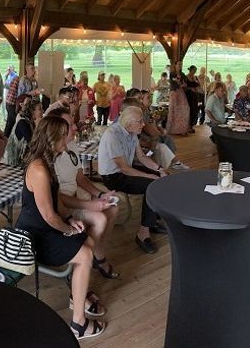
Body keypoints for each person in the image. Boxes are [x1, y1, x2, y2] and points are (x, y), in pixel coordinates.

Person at [15, 115, 107, 340]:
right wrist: (67, 228)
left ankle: (78, 297)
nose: (67, 139)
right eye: (63, 135)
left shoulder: (47, 161)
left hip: (45, 228)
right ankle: (79, 324)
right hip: (34, 235)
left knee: (87, 238)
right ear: (52, 138)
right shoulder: (38, 168)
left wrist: (69, 220)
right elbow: (47, 215)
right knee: (85, 254)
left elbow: (56, 201)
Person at [48, 108, 120, 279]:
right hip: (63, 206)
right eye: (69, 125)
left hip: (76, 198)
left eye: (73, 124)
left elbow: (80, 177)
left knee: (113, 208)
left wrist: (100, 195)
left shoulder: (71, 145)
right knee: (100, 218)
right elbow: (57, 197)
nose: (74, 128)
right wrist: (91, 205)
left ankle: (97, 255)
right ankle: (77, 268)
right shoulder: (50, 155)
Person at [98, 106, 168, 254]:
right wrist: (151, 176)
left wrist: (159, 169)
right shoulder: (113, 135)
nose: (143, 125)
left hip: (125, 171)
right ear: (129, 123)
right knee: (151, 185)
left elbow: (142, 157)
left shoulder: (131, 132)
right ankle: (143, 234)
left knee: (160, 179)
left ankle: (151, 221)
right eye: (140, 121)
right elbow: (124, 168)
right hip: (113, 177)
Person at [4, 96, 43, 166]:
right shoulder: (23, 123)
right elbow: (33, 145)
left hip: (23, 160)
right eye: (40, 109)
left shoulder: (31, 122)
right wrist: (38, 126)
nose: (43, 111)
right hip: (14, 163)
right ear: (32, 111)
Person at [166, 63, 190, 135]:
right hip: (174, 92)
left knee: (185, 108)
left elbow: (185, 82)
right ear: (175, 65)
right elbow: (173, 83)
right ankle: (173, 129)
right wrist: (179, 83)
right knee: (174, 109)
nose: (180, 66)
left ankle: (182, 129)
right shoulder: (172, 73)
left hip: (180, 92)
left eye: (181, 64)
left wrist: (184, 84)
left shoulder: (182, 74)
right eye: (179, 64)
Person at [4, 68, 21, 137]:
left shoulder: (17, 78)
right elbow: (20, 94)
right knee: (15, 122)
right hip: (11, 103)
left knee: (10, 122)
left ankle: (5, 137)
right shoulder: (19, 80)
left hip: (9, 102)